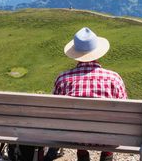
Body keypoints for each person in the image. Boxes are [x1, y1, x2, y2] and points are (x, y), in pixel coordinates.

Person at [50, 27, 127, 161]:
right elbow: (125, 111)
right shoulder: (114, 78)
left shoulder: (62, 79)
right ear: (98, 53)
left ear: (75, 54)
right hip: (108, 137)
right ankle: (107, 154)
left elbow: (54, 111)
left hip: (73, 137)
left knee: (78, 125)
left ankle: (82, 153)